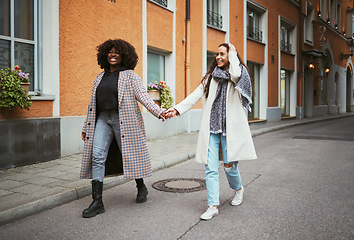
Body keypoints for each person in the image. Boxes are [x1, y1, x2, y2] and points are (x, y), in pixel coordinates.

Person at [166, 43, 257, 220]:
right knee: (210, 167)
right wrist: (176, 109)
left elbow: (236, 72)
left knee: (229, 166)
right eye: (217, 54)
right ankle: (212, 205)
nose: (218, 57)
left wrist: (233, 53)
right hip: (212, 129)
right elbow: (194, 96)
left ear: (230, 56)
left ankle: (238, 189)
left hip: (229, 131)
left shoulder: (236, 76)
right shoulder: (210, 77)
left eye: (222, 54)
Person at [80, 39, 167, 218]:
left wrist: (160, 112)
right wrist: (86, 127)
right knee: (97, 156)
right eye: (110, 52)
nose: (113, 54)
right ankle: (97, 201)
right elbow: (92, 104)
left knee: (130, 154)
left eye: (117, 52)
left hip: (124, 119)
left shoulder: (130, 76)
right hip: (103, 119)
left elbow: (144, 97)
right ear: (105, 54)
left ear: (124, 56)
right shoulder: (100, 77)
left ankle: (141, 186)